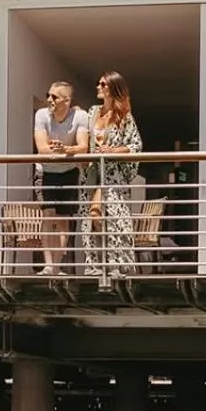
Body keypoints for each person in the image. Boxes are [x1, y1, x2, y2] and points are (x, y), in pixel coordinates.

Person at [83, 71, 144, 276]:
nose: (99, 87)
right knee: (91, 218)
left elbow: (135, 146)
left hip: (113, 175)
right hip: (93, 174)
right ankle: (95, 265)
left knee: (111, 216)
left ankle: (116, 265)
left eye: (103, 84)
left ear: (113, 89)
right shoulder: (92, 112)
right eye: (98, 83)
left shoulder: (124, 116)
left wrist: (112, 151)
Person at [32, 81, 90, 275]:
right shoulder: (41, 115)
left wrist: (66, 149)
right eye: (48, 95)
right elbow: (42, 149)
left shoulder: (81, 116)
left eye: (55, 97)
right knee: (48, 217)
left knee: (64, 219)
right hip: (46, 172)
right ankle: (48, 265)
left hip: (69, 171)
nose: (49, 100)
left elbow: (83, 147)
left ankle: (56, 266)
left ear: (67, 100)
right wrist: (65, 150)